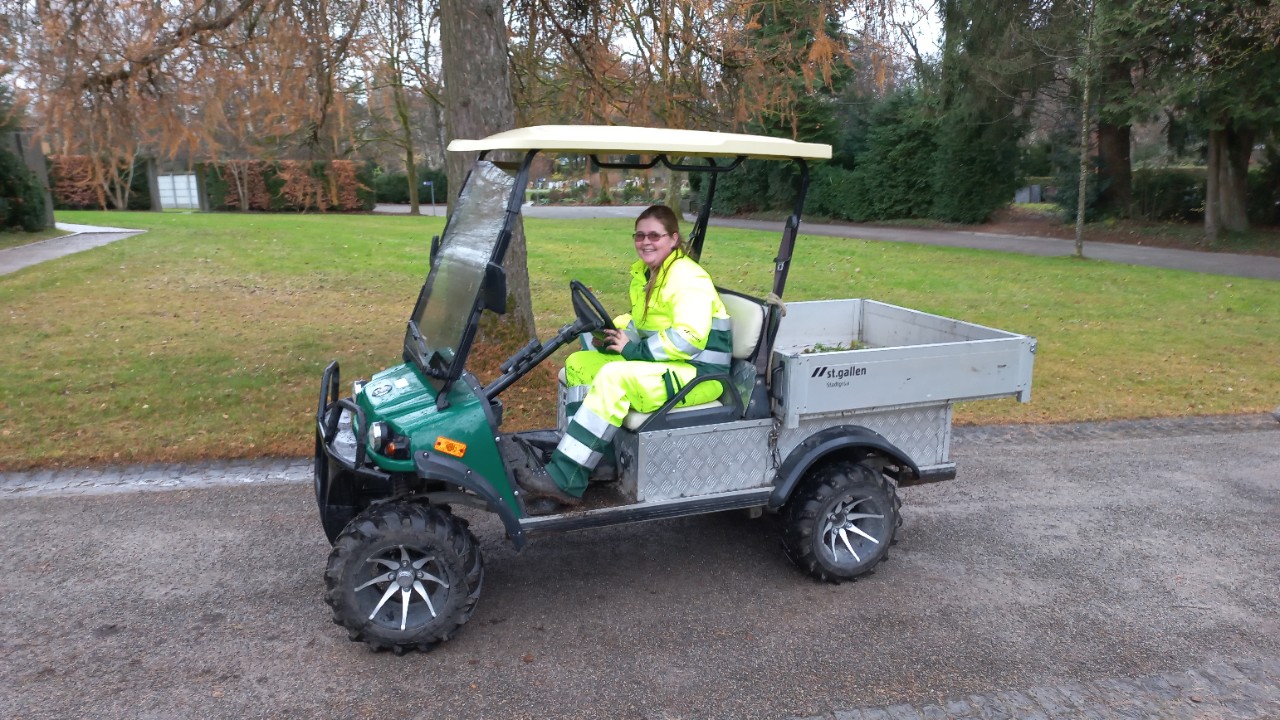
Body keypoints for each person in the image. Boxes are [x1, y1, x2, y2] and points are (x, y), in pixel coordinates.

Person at [519, 205, 733, 506]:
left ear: (673, 239)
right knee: (580, 364)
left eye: (654, 235)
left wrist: (633, 350)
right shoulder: (648, 273)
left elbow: (689, 338)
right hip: (669, 365)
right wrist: (612, 335)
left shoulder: (688, 278)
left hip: (699, 373)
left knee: (614, 377)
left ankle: (565, 478)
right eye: (640, 235)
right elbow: (644, 324)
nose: (646, 242)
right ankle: (594, 462)